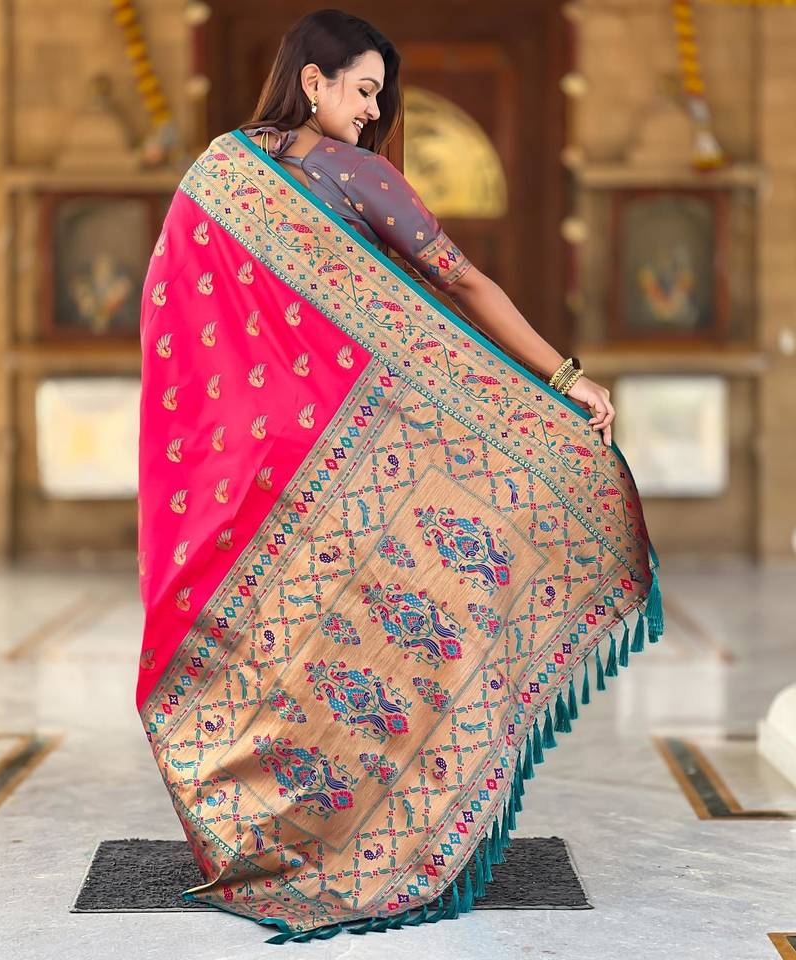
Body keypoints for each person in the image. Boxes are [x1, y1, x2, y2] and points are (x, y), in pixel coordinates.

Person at [136, 8, 663, 943]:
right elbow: (461, 282)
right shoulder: (354, 173)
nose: (374, 112)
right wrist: (564, 378)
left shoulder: (216, 172)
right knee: (367, 625)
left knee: (294, 646)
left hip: (244, 462)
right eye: (365, 89)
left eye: (380, 96)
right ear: (314, 81)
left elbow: (170, 316)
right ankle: (371, 831)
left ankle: (274, 829)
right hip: (336, 450)